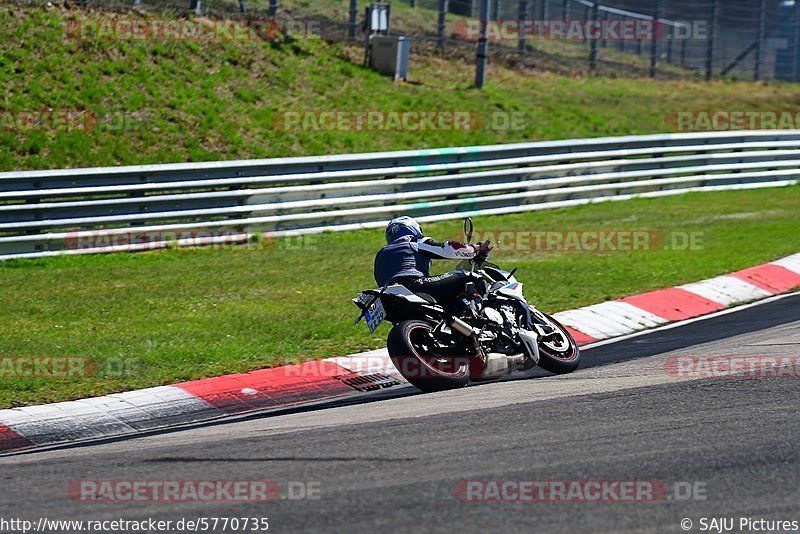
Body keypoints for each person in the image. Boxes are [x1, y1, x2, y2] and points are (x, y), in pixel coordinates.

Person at [373, 216, 492, 308]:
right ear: (413, 229)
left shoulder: (380, 254)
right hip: (414, 285)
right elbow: (448, 249)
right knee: (471, 278)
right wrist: (474, 249)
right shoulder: (414, 241)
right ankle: (475, 318)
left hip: (389, 297)